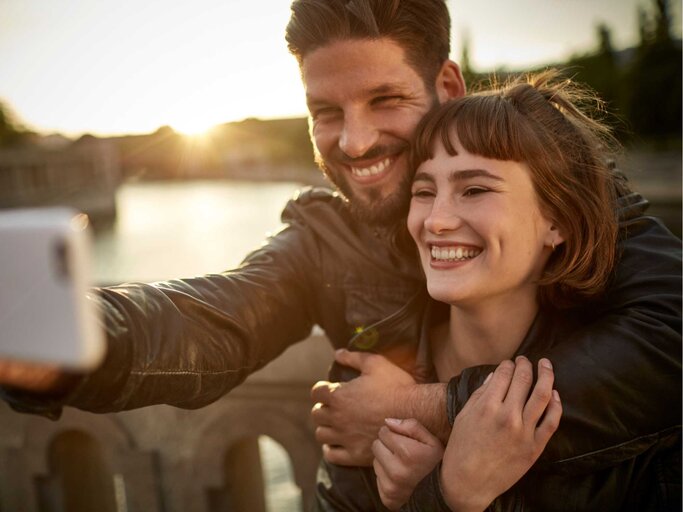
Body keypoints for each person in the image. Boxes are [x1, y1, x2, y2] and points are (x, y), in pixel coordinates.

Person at [0, 0, 680, 509]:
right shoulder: (324, 239)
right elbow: (211, 317)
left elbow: (672, 332)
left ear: (446, 86)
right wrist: (62, 337)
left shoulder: (558, 188)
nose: (352, 142)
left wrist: (426, 408)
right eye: (324, 111)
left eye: (383, 99)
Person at [370, 71, 681, 511]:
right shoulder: (368, 377)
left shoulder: (634, 407)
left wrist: (449, 496)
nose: (436, 220)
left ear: (558, 222)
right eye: (424, 191)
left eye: (474, 189)